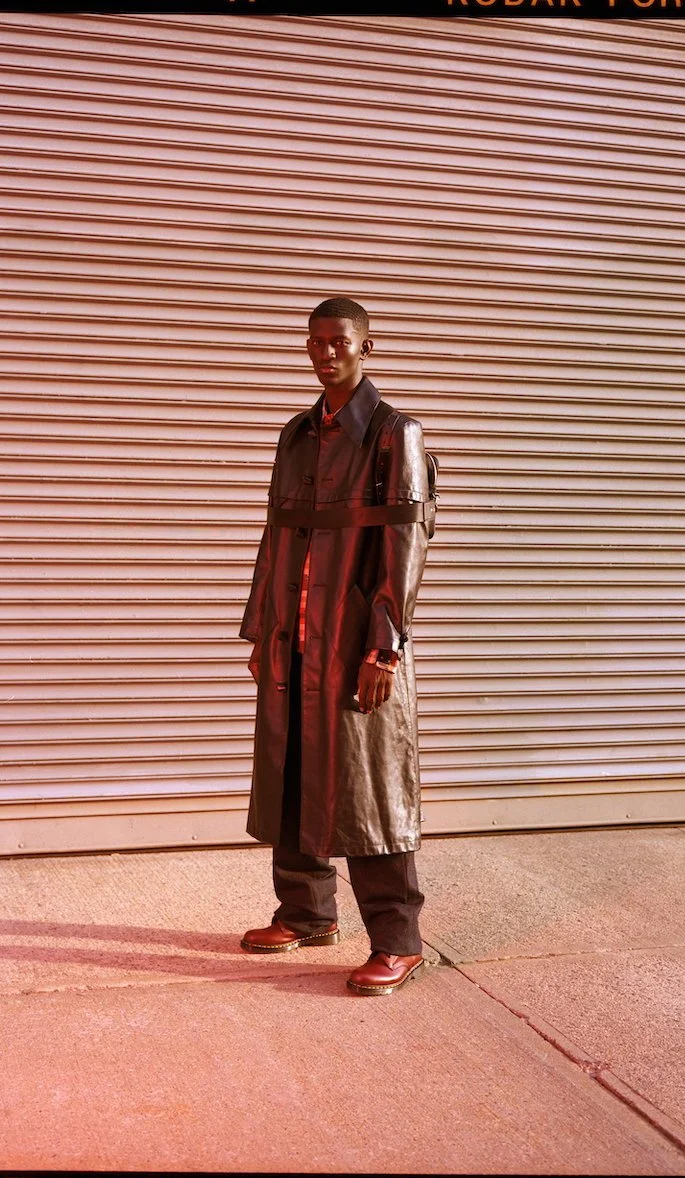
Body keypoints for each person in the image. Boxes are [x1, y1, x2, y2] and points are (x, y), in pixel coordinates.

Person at [238, 296, 433, 995]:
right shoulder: (296, 435)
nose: (325, 353)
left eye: (339, 342)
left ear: (365, 347)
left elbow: (405, 548)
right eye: (315, 342)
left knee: (368, 789)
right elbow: (274, 536)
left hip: (355, 644)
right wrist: (260, 629)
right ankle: (306, 913)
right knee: (292, 773)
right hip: (293, 638)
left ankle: (399, 942)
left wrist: (385, 648)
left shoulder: (393, 435)